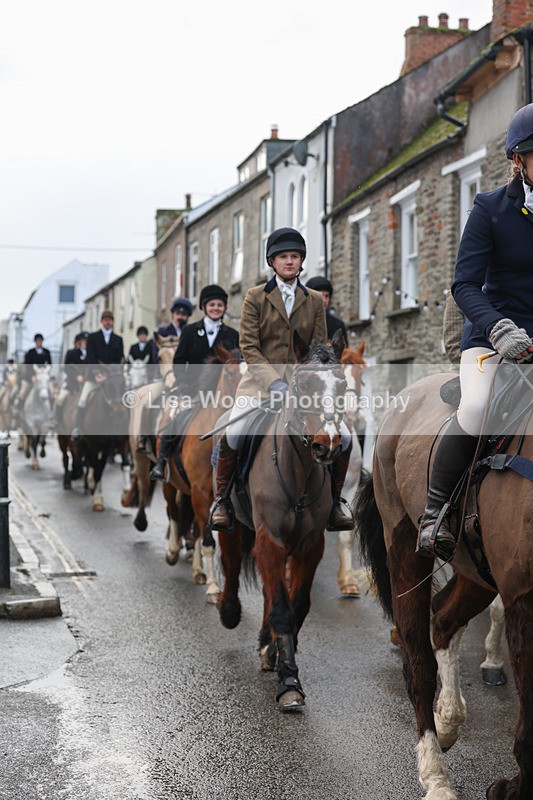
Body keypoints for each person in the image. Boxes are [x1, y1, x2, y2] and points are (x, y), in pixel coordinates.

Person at [417, 102, 533, 561]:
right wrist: (498, 327)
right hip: (493, 338)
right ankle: (435, 513)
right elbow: (464, 283)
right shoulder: (488, 209)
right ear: (517, 160)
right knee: (479, 404)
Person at [210, 226, 354, 532]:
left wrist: (311, 379)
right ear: (272, 262)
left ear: (301, 262)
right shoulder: (254, 297)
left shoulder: (314, 299)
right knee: (233, 432)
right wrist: (275, 383)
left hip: (308, 388)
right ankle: (222, 501)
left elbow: (318, 347)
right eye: (283, 257)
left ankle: (335, 503)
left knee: (346, 436)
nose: (289, 262)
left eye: (295, 257)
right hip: (261, 384)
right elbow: (249, 346)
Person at [150, 284, 239, 480]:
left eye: (220, 305)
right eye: (212, 305)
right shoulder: (190, 331)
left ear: (224, 308)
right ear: (204, 307)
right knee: (173, 416)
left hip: (222, 393)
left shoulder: (232, 335)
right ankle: (161, 462)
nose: (216, 308)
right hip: (192, 389)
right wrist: (183, 382)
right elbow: (179, 360)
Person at [71, 311, 124, 440]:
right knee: (83, 399)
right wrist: (97, 374)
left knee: (123, 399)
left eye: (110, 320)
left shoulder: (118, 339)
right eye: (105, 320)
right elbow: (90, 358)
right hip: (94, 377)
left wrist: (114, 374)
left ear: (113, 322)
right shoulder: (93, 338)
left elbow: (120, 358)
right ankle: (78, 428)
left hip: (112, 378)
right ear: (101, 321)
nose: (108, 322)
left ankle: (123, 428)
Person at [14, 334, 53, 411]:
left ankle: (51, 412)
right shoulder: (30, 352)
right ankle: (18, 410)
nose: (39, 342)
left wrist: (45, 372)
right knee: (23, 392)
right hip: (31, 377)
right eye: (38, 341)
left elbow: (49, 364)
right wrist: (32, 376)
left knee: (52, 392)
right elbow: (28, 366)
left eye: (40, 341)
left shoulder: (46, 352)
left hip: (42, 376)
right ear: (35, 342)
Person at [305, 275, 348, 342]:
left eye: (326, 296)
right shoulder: (301, 321)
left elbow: (344, 351)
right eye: (320, 296)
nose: (324, 300)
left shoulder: (337, 325)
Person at [152, 296, 193, 361]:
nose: (180, 317)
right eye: (177, 313)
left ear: (188, 316)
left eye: (183, 314)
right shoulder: (163, 332)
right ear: (173, 314)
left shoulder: (191, 333)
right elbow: (156, 355)